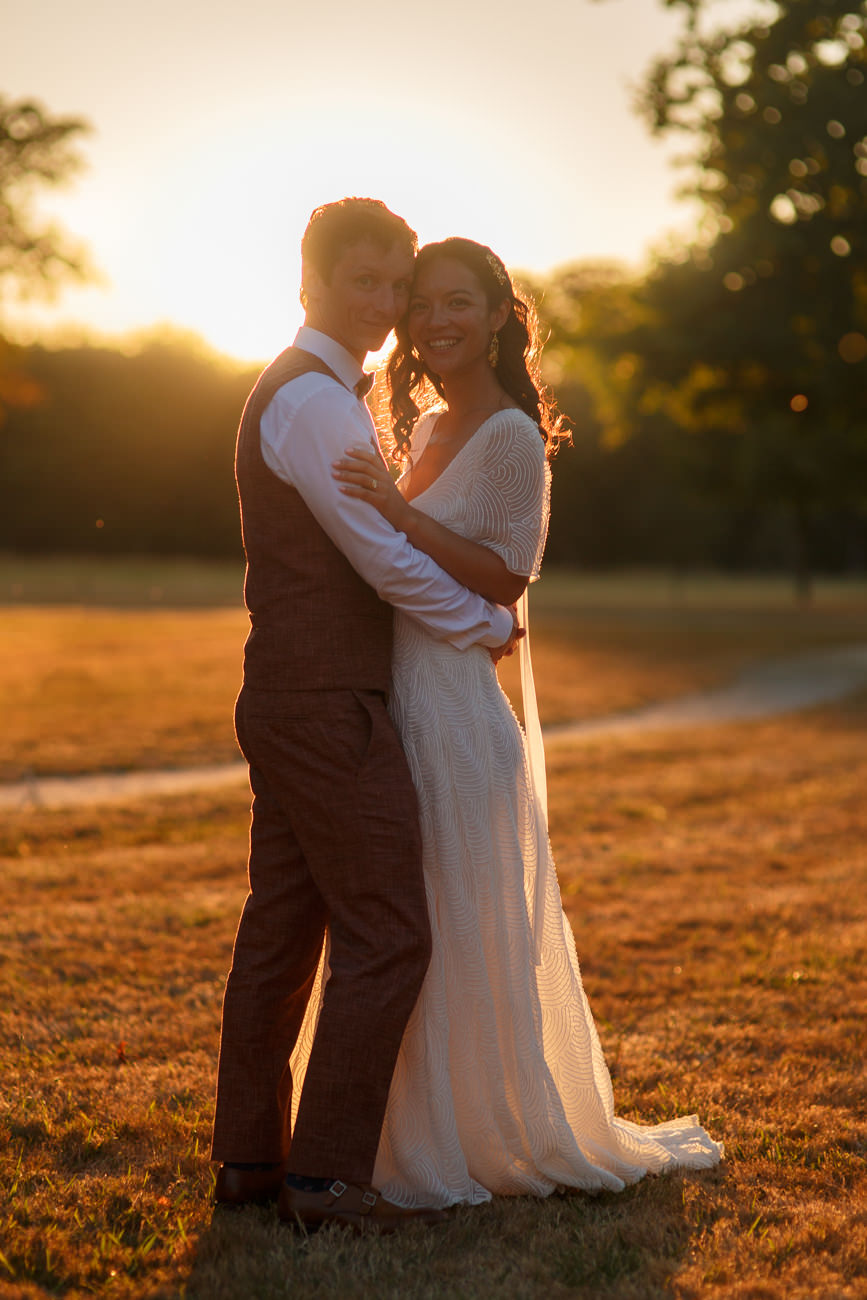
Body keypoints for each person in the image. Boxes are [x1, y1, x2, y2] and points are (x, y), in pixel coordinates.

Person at [327, 237, 723, 1207]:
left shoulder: (509, 436)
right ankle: (394, 1125)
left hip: (456, 713)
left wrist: (393, 508)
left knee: (455, 924)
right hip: (400, 698)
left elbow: (504, 577)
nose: (434, 322)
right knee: (404, 920)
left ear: (500, 316)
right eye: (422, 304)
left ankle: (473, 1133)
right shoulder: (420, 426)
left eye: (458, 303)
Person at [211, 203, 520, 1233]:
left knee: (284, 929)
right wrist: (481, 621)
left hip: (292, 693)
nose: (387, 309)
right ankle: (326, 1179)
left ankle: (252, 1160)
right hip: (327, 703)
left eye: (400, 286)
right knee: (389, 932)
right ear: (309, 282)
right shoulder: (314, 402)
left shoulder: (318, 390)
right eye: (367, 284)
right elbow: (381, 559)